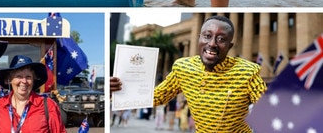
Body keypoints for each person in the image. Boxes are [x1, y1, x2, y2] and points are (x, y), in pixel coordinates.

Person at [111, 15, 267, 132]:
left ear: (229, 45)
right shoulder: (183, 68)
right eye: (207, 36)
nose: (212, 44)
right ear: (198, 38)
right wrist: (118, 90)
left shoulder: (247, 72)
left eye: (221, 39)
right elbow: (156, 97)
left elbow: (271, 108)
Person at [0, 55, 66, 133]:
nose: (24, 81)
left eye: (28, 77)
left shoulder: (48, 105)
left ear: (33, 80)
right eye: (19, 76)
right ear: (9, 80)